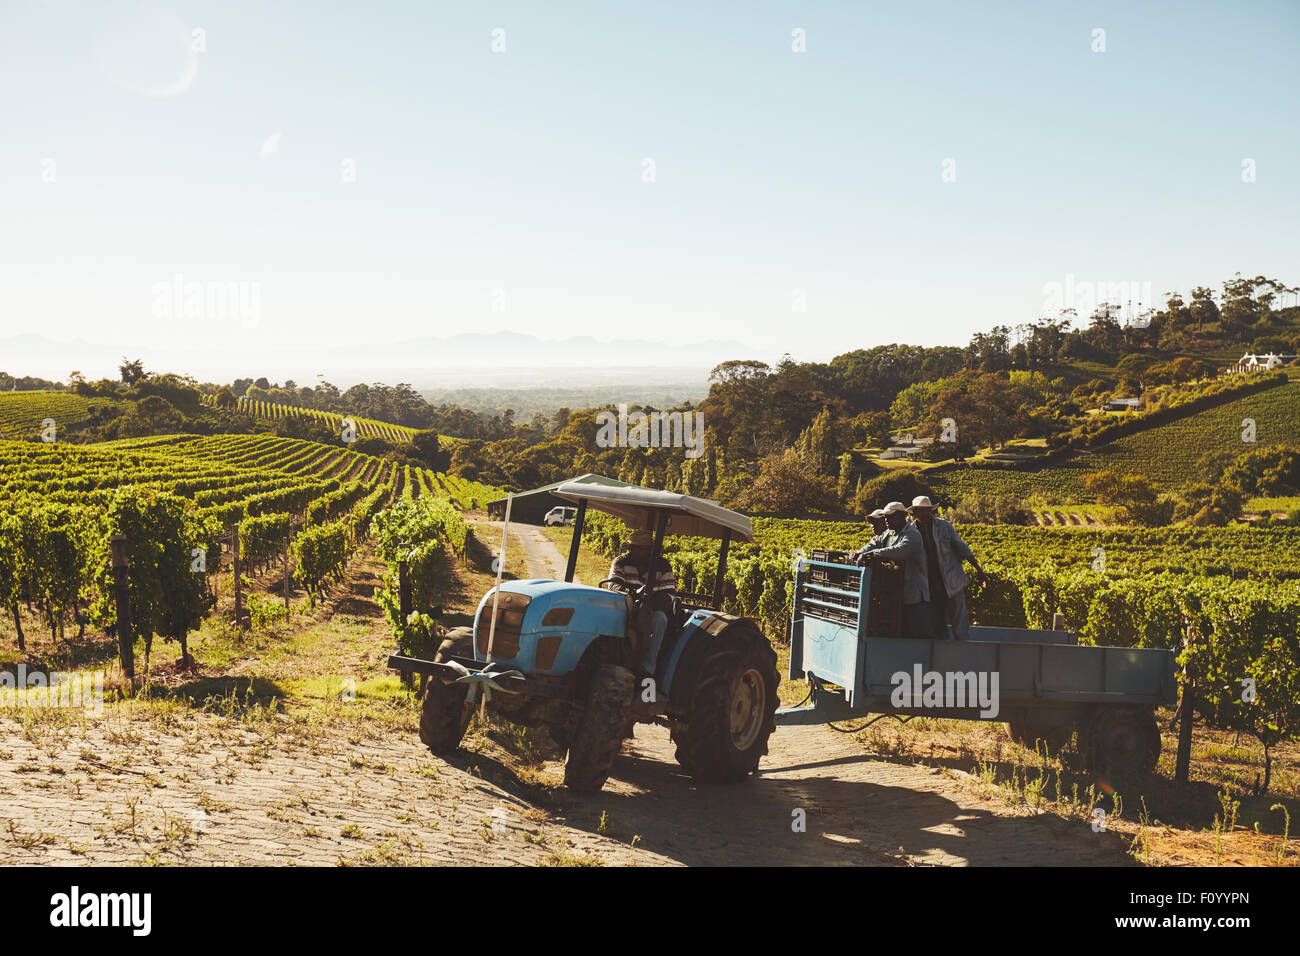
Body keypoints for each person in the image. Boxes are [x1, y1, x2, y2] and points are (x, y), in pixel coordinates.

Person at [908, 496, 988, 640]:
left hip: (951, 580)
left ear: (931, 511)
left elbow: (963, 549)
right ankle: (942, 656)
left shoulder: (944, 526)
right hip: (929, 584)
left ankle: (962, 652)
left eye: (926, 511)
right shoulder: (911, 531)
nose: (923, 514)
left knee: (959, 621)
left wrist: (978, 570)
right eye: (919, 511)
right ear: (914, 513)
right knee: (937, 622)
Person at [852, 501, 933, 638]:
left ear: (902, 516)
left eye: (890, 517)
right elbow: (873, 544)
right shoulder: (889, 533)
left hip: (913, 596)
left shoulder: (912, 534)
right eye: (885, 517)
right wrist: (860, 553)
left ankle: (919, 660)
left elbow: (902, 550)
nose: (886, 520)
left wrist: (874, 554)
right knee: (900, 633)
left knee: (917, 636)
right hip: (897, 595)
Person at [608, 529, 676, 674]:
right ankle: (612, 659)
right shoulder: (621, 562)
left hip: (652, 609)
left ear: (650, 549)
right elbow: (613, 585)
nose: (637, 551)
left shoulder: (662, 565)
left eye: (642, 548)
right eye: (635, 548)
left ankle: (648, 667)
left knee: (660, 620)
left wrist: (648, 603)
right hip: (626, 605)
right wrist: (633, 594)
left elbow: (668, 595)